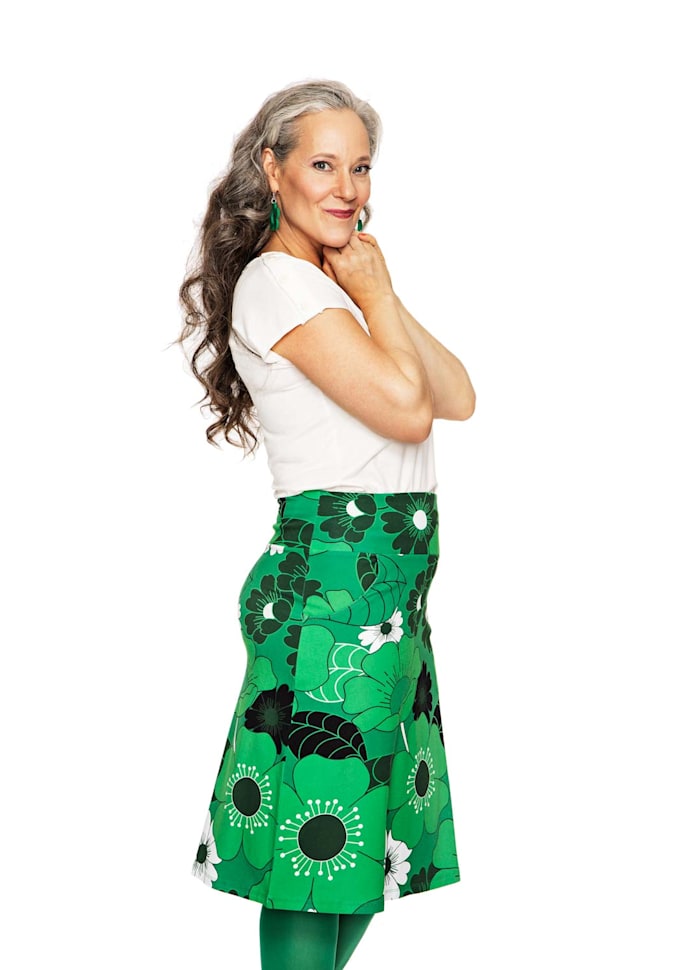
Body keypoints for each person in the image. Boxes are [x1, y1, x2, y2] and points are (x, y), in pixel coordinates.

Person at [179, 79, 476, 970]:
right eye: (322, 165)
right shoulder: (277, 282)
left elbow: (457, 395)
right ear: (273, 171)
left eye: (361, 167)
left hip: (383, 601)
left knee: (360, 852)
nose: (347, 188)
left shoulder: (328, 286)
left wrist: (376, 289)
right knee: (315, 858)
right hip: (333, 599)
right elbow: (409, 414)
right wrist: (373, 297)